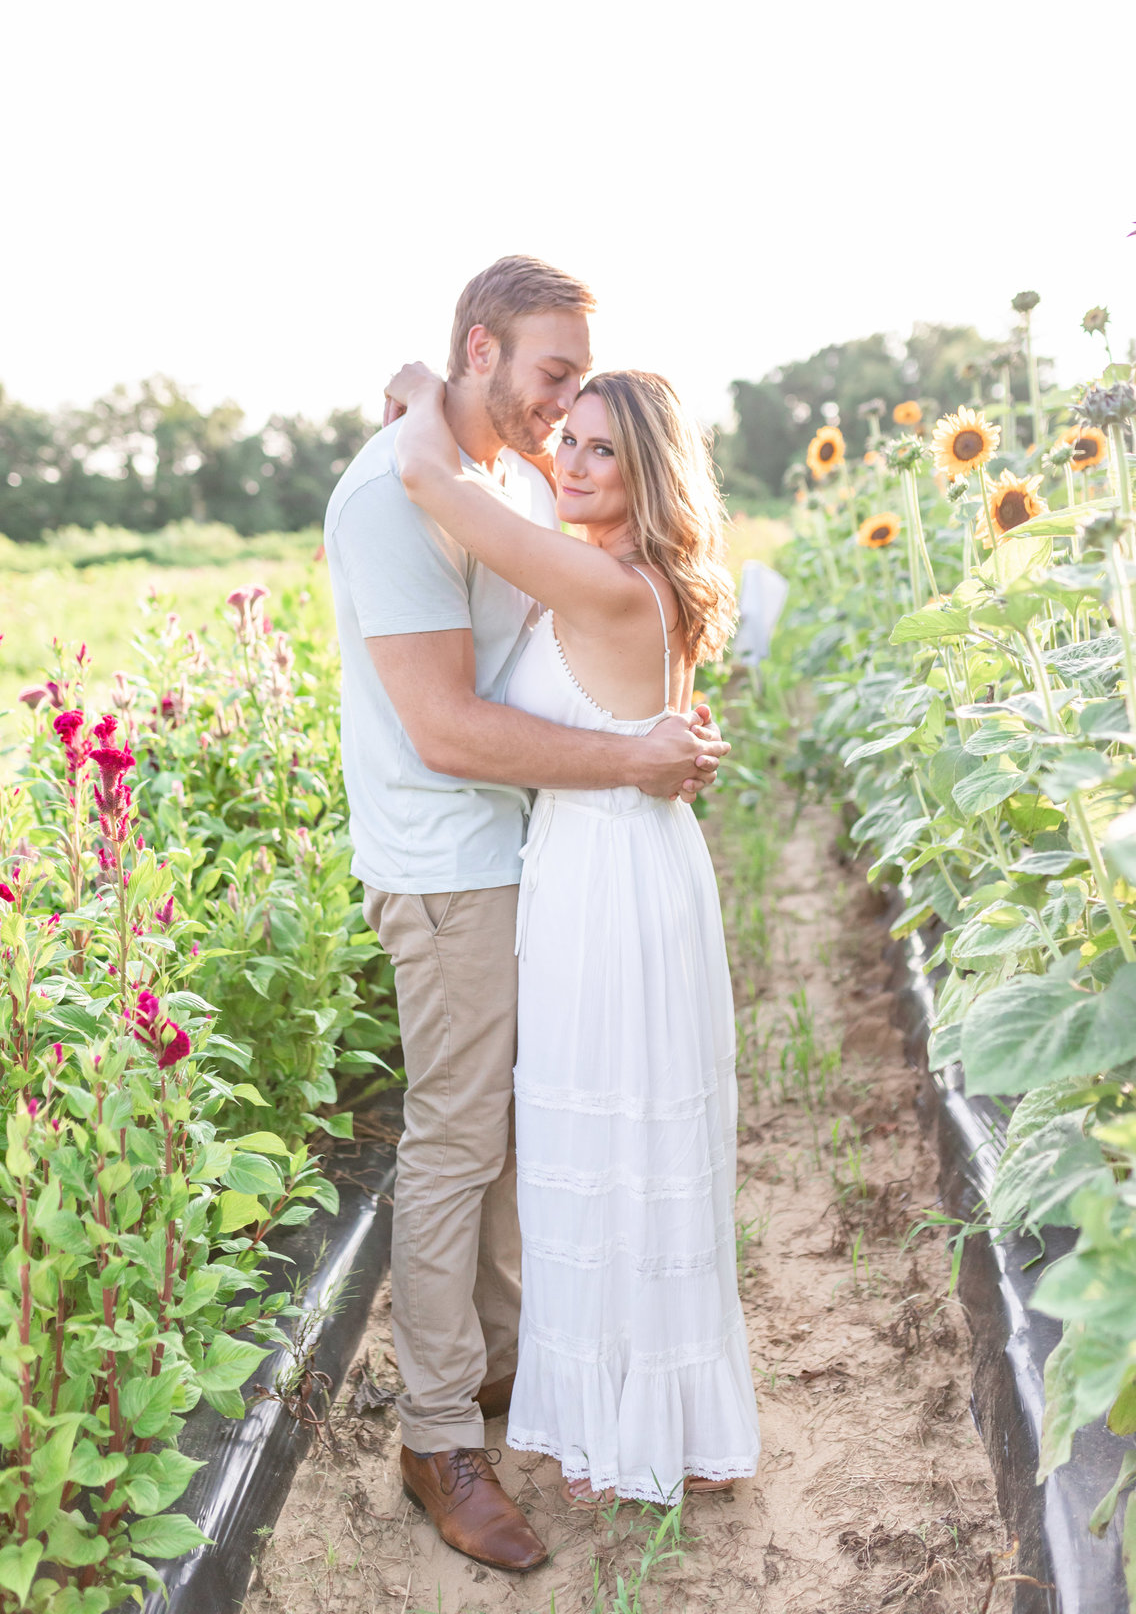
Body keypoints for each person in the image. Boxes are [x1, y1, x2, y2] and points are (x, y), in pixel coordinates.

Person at [323, 257, 728, 1572]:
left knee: (520, 1141)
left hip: (536, 858)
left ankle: (502, 1372)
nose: (562, 419)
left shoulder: (487, 481)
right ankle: (441, 1434)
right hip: (452, 865)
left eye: (588, 408)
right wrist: (635, 754)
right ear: (481, 349)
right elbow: (444, 728)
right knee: (457, 1146)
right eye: (554, 381)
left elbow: (565, 647)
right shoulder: (399, 492)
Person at [388, 360, 760, 1508]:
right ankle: (633, 1405)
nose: (574, 464)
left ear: (648, 469)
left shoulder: (612, 587)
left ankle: (633, 1423)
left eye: (603, 449)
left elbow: (431, 481)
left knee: (613, 1145)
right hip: (607, 863)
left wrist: (416, 398)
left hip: (610, 882)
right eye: (572, 442)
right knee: (608, 1142)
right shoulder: (621, 574)